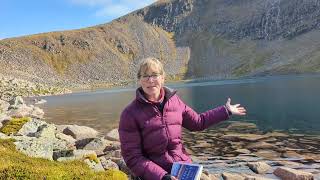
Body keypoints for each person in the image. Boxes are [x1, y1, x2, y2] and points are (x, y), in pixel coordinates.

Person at [119, 57, 246, 180]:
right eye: (145, 76)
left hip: (183, 170)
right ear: (139, 80)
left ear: (162, 78)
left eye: (154, 75)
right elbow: (133, 157)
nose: (150, 80)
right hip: (156, 176)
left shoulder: (174, 102)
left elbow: (198, 122)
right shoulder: (130, 114)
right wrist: (162, 177)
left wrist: (225, 110)